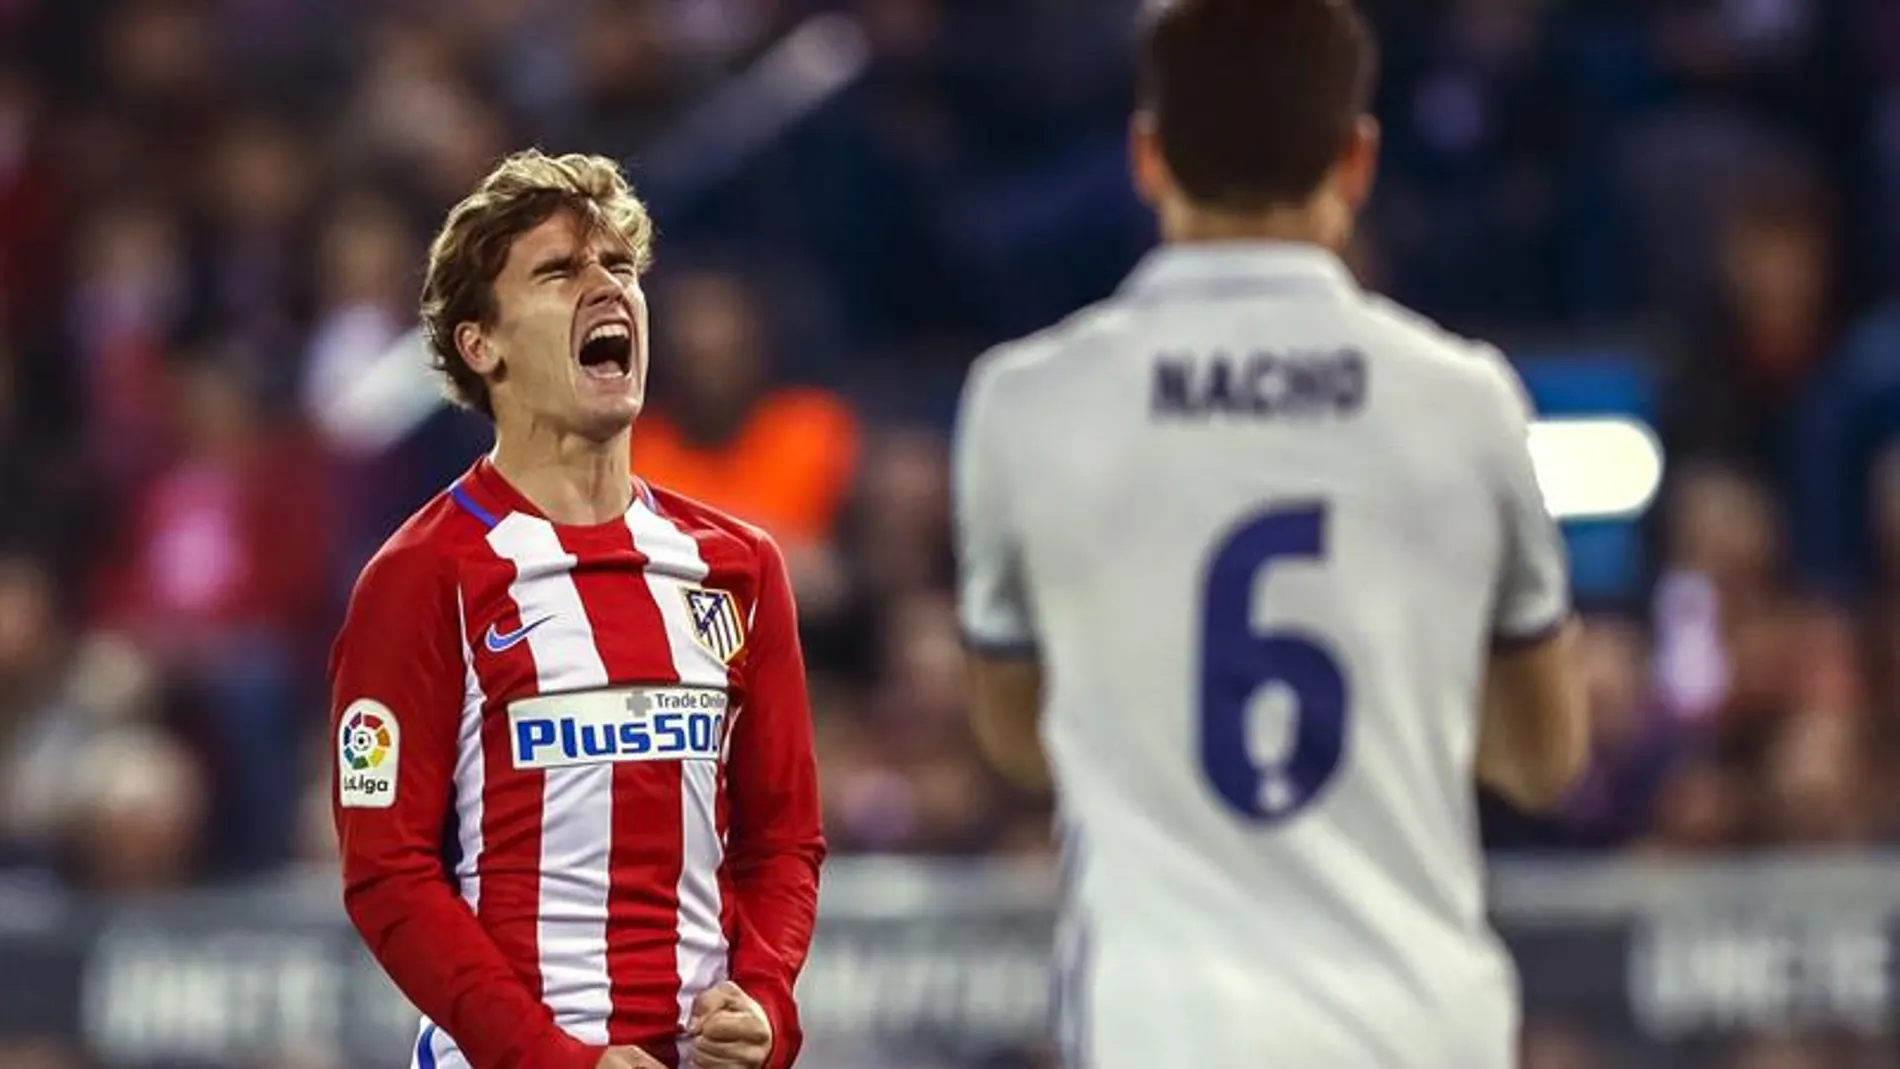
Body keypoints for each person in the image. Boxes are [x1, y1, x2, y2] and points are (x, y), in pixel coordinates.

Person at [951, 2, 1590, 1067]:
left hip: (1166, 1027)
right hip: (1422, 1024)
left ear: (1147, 158)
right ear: (1357, 158)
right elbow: (1542, 760)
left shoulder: (1024, 402)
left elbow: (1020, 743)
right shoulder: (1465, 400)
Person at [329, 151, 826, 1069]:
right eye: (560, 271)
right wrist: (551, 1058)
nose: (607, 288)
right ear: (482, 344)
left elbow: (785, 839)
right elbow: (387, 873)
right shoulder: (421, 577)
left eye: (621, 268)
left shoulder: (739, 568)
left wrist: (765, 1001)